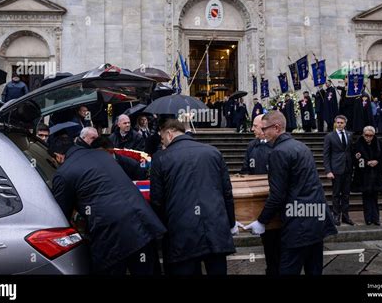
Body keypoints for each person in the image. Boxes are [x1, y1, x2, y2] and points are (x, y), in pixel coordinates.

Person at [50, 135, 166, 275]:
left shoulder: (64, 173)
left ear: (58, 156)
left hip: (112, 235)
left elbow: (60, 215)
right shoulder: (102, 155)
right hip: (143, 222)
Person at [244, 111, 337, 275]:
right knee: (314, 269)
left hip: (298, 224)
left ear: (277, 128)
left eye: (265, 129)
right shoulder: (301, 146)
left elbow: (277, 194)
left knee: (287, 269)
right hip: (317, 218)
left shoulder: (278, 152)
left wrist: (261, 221)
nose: (263, 133)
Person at [150, 119, 237, 275]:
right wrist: (230, 222)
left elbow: (157, 200)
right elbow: (227, 192)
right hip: (215, 227)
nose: (162, 143)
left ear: (169, 134)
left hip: (181, 232)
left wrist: (165, 228)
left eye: (162, 139)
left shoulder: (160, 158)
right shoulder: (213, 152)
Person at [240, 114, 280, 276]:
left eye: (255, 126)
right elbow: (246, 169)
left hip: (277, 198)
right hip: (260, 200)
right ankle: (271, 268)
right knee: (268, 242)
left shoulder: (277, 146)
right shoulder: (252, 146)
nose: (252, 129)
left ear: (264, 127)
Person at [351, 126, 382, 226]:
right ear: (363, 134)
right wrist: (366, 162)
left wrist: (377, 162)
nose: (368, 137)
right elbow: (355, 160)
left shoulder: (378, 143)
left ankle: (376, 218)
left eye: (371, 136)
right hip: (364, 175)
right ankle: (368, 219)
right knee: (366, 197)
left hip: (376, 174)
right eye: (366, 135)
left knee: (375, 197)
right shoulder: (358, 143)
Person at [323, 115, 354, 226]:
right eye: (338, 122)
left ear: (345, 123)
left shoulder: (350, 135)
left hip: (348, 169)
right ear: (335, 123)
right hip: (336, 169)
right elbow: (326, 155)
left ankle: (345, 216)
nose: (340, 124)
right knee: (336, 194)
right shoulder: (330, 136)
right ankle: (336, 215)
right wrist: (328, 170)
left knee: (346, 194)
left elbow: (351, 151)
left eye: (342, 122)